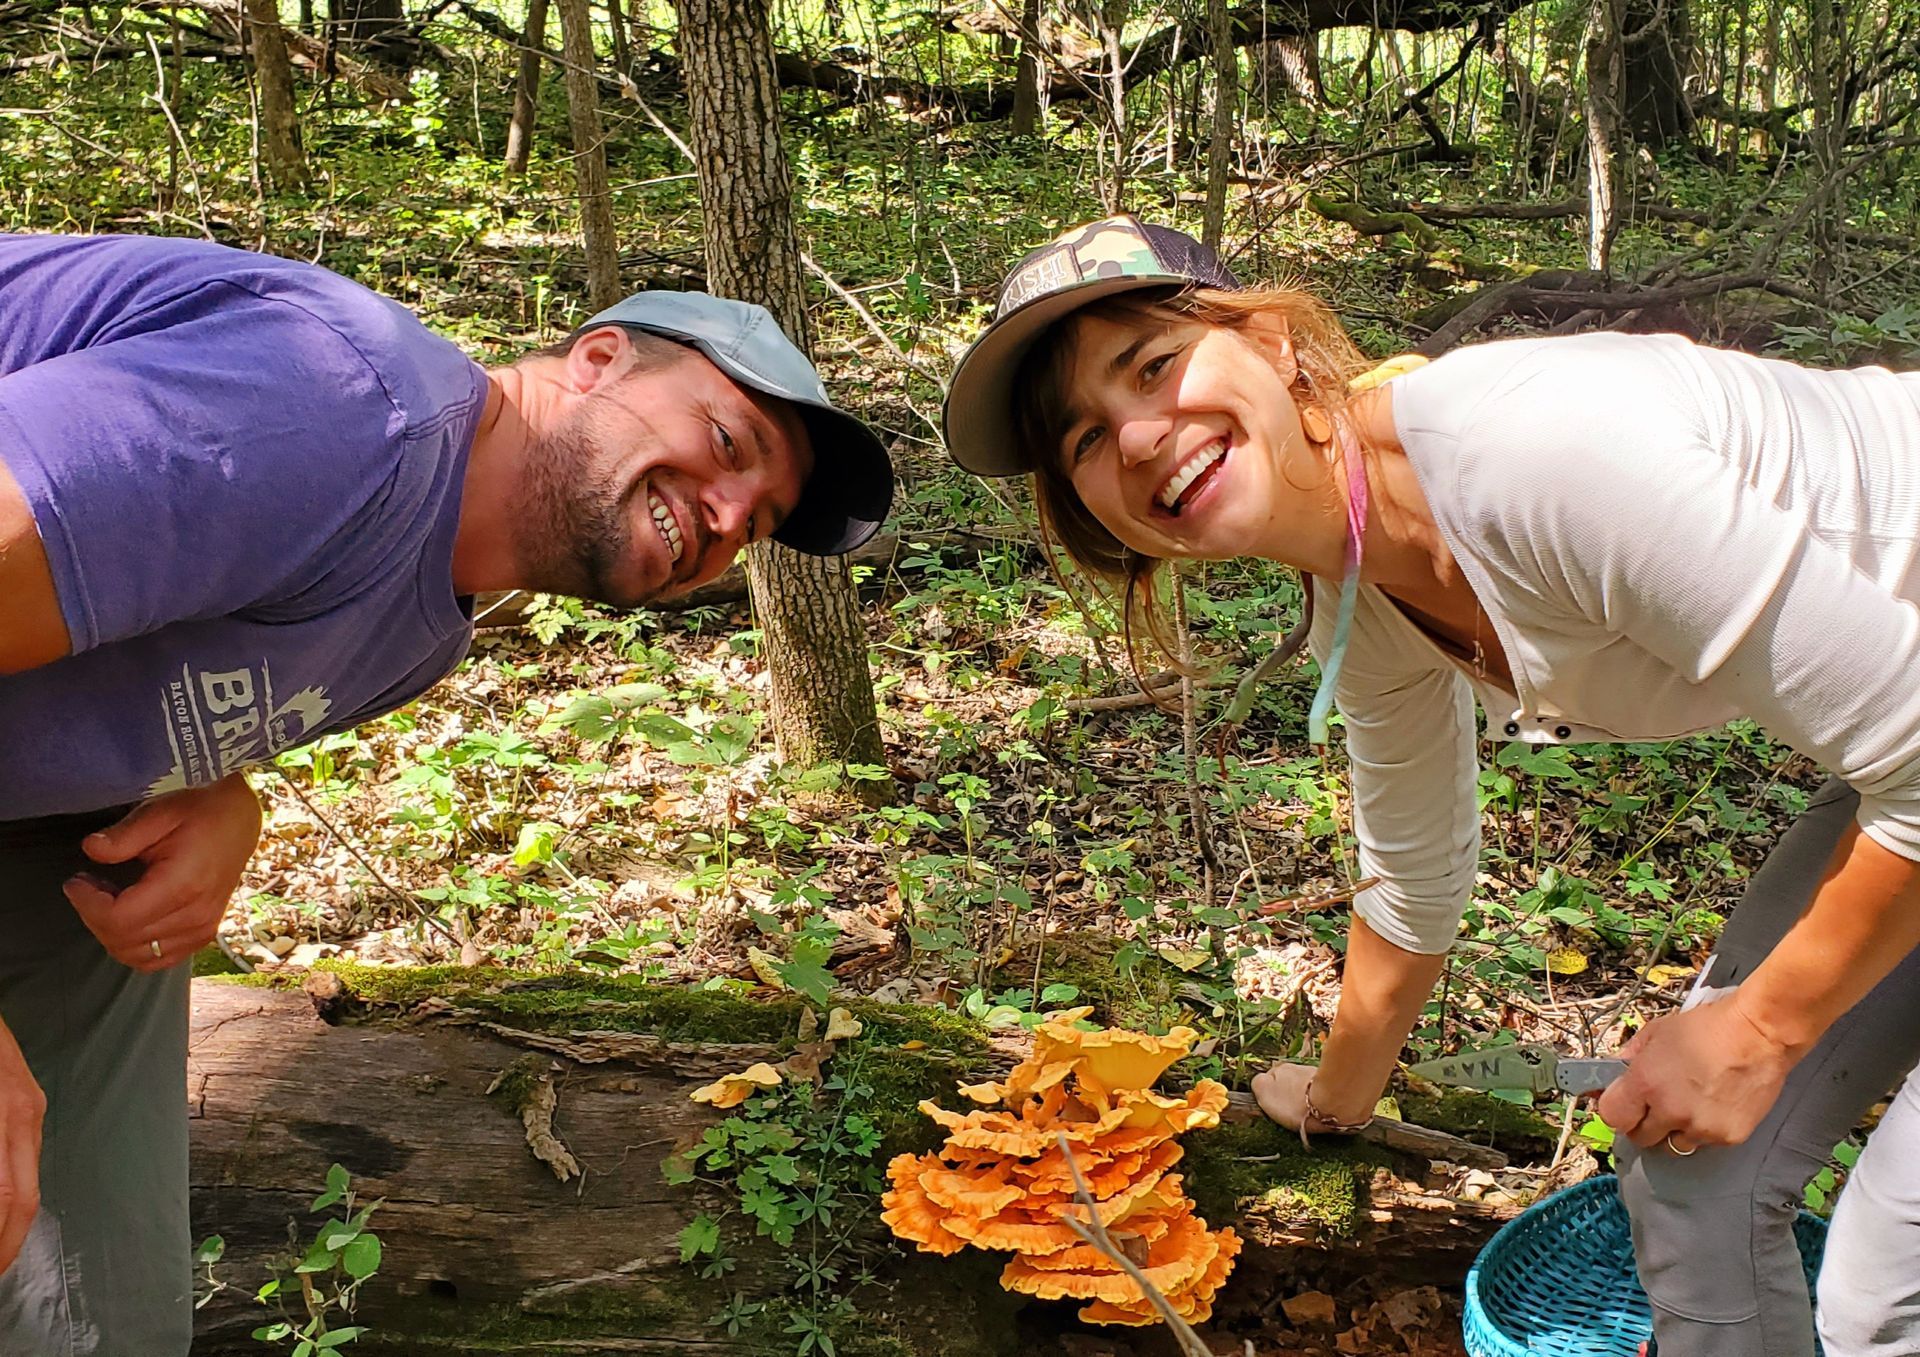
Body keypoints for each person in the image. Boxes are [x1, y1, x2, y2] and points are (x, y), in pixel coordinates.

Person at [941, 214, 1920, 1357]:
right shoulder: (1363, 594)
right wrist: (1336, 1100)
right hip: (1898, 764)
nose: (1143, 436)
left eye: (1154, 366)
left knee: (1879, 1294)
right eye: (1086, 440)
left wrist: (1757, 1025)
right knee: (1695, 1188)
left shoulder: (1531, 453)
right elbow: (1414, 882)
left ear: (1271, 341)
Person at [0, 230, 893, 1354]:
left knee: (95, 1317)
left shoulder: (426, 626)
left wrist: (225, 794)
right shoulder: (335, 406)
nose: (724, 515)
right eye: (727, 442)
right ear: (602, 357)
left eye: (754, 523)